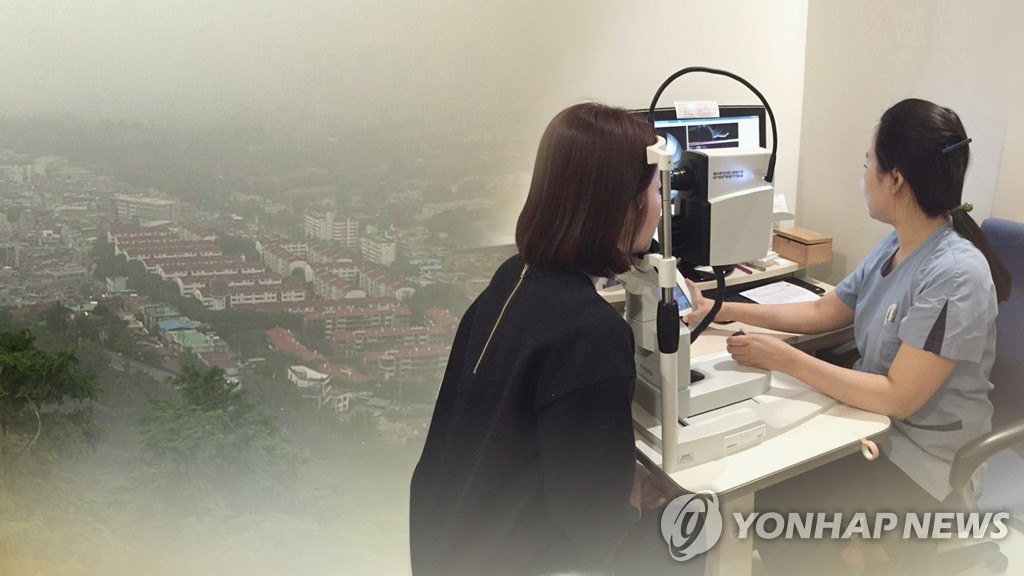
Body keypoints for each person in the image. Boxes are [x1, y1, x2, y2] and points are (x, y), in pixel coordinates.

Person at [683, 98, 1012, 575]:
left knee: (778, 508)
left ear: (895, 179)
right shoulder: (899, 240)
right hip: (868, 426)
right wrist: (719, 309)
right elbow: (826, 309)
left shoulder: (956, 274)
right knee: (769, 476)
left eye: (867, 164)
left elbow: (898, 397)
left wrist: (784, 359)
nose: (863, 177)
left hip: (925, 461)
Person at [410, 102, 691, 576]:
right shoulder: (591, 334)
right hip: (520, 560)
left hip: (449, 544)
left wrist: (615, 490)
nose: (661, 206)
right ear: (624, 205)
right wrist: (628, 502)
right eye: (656, 191)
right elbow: (598, 524)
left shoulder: (514, 276)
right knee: (697, 534)